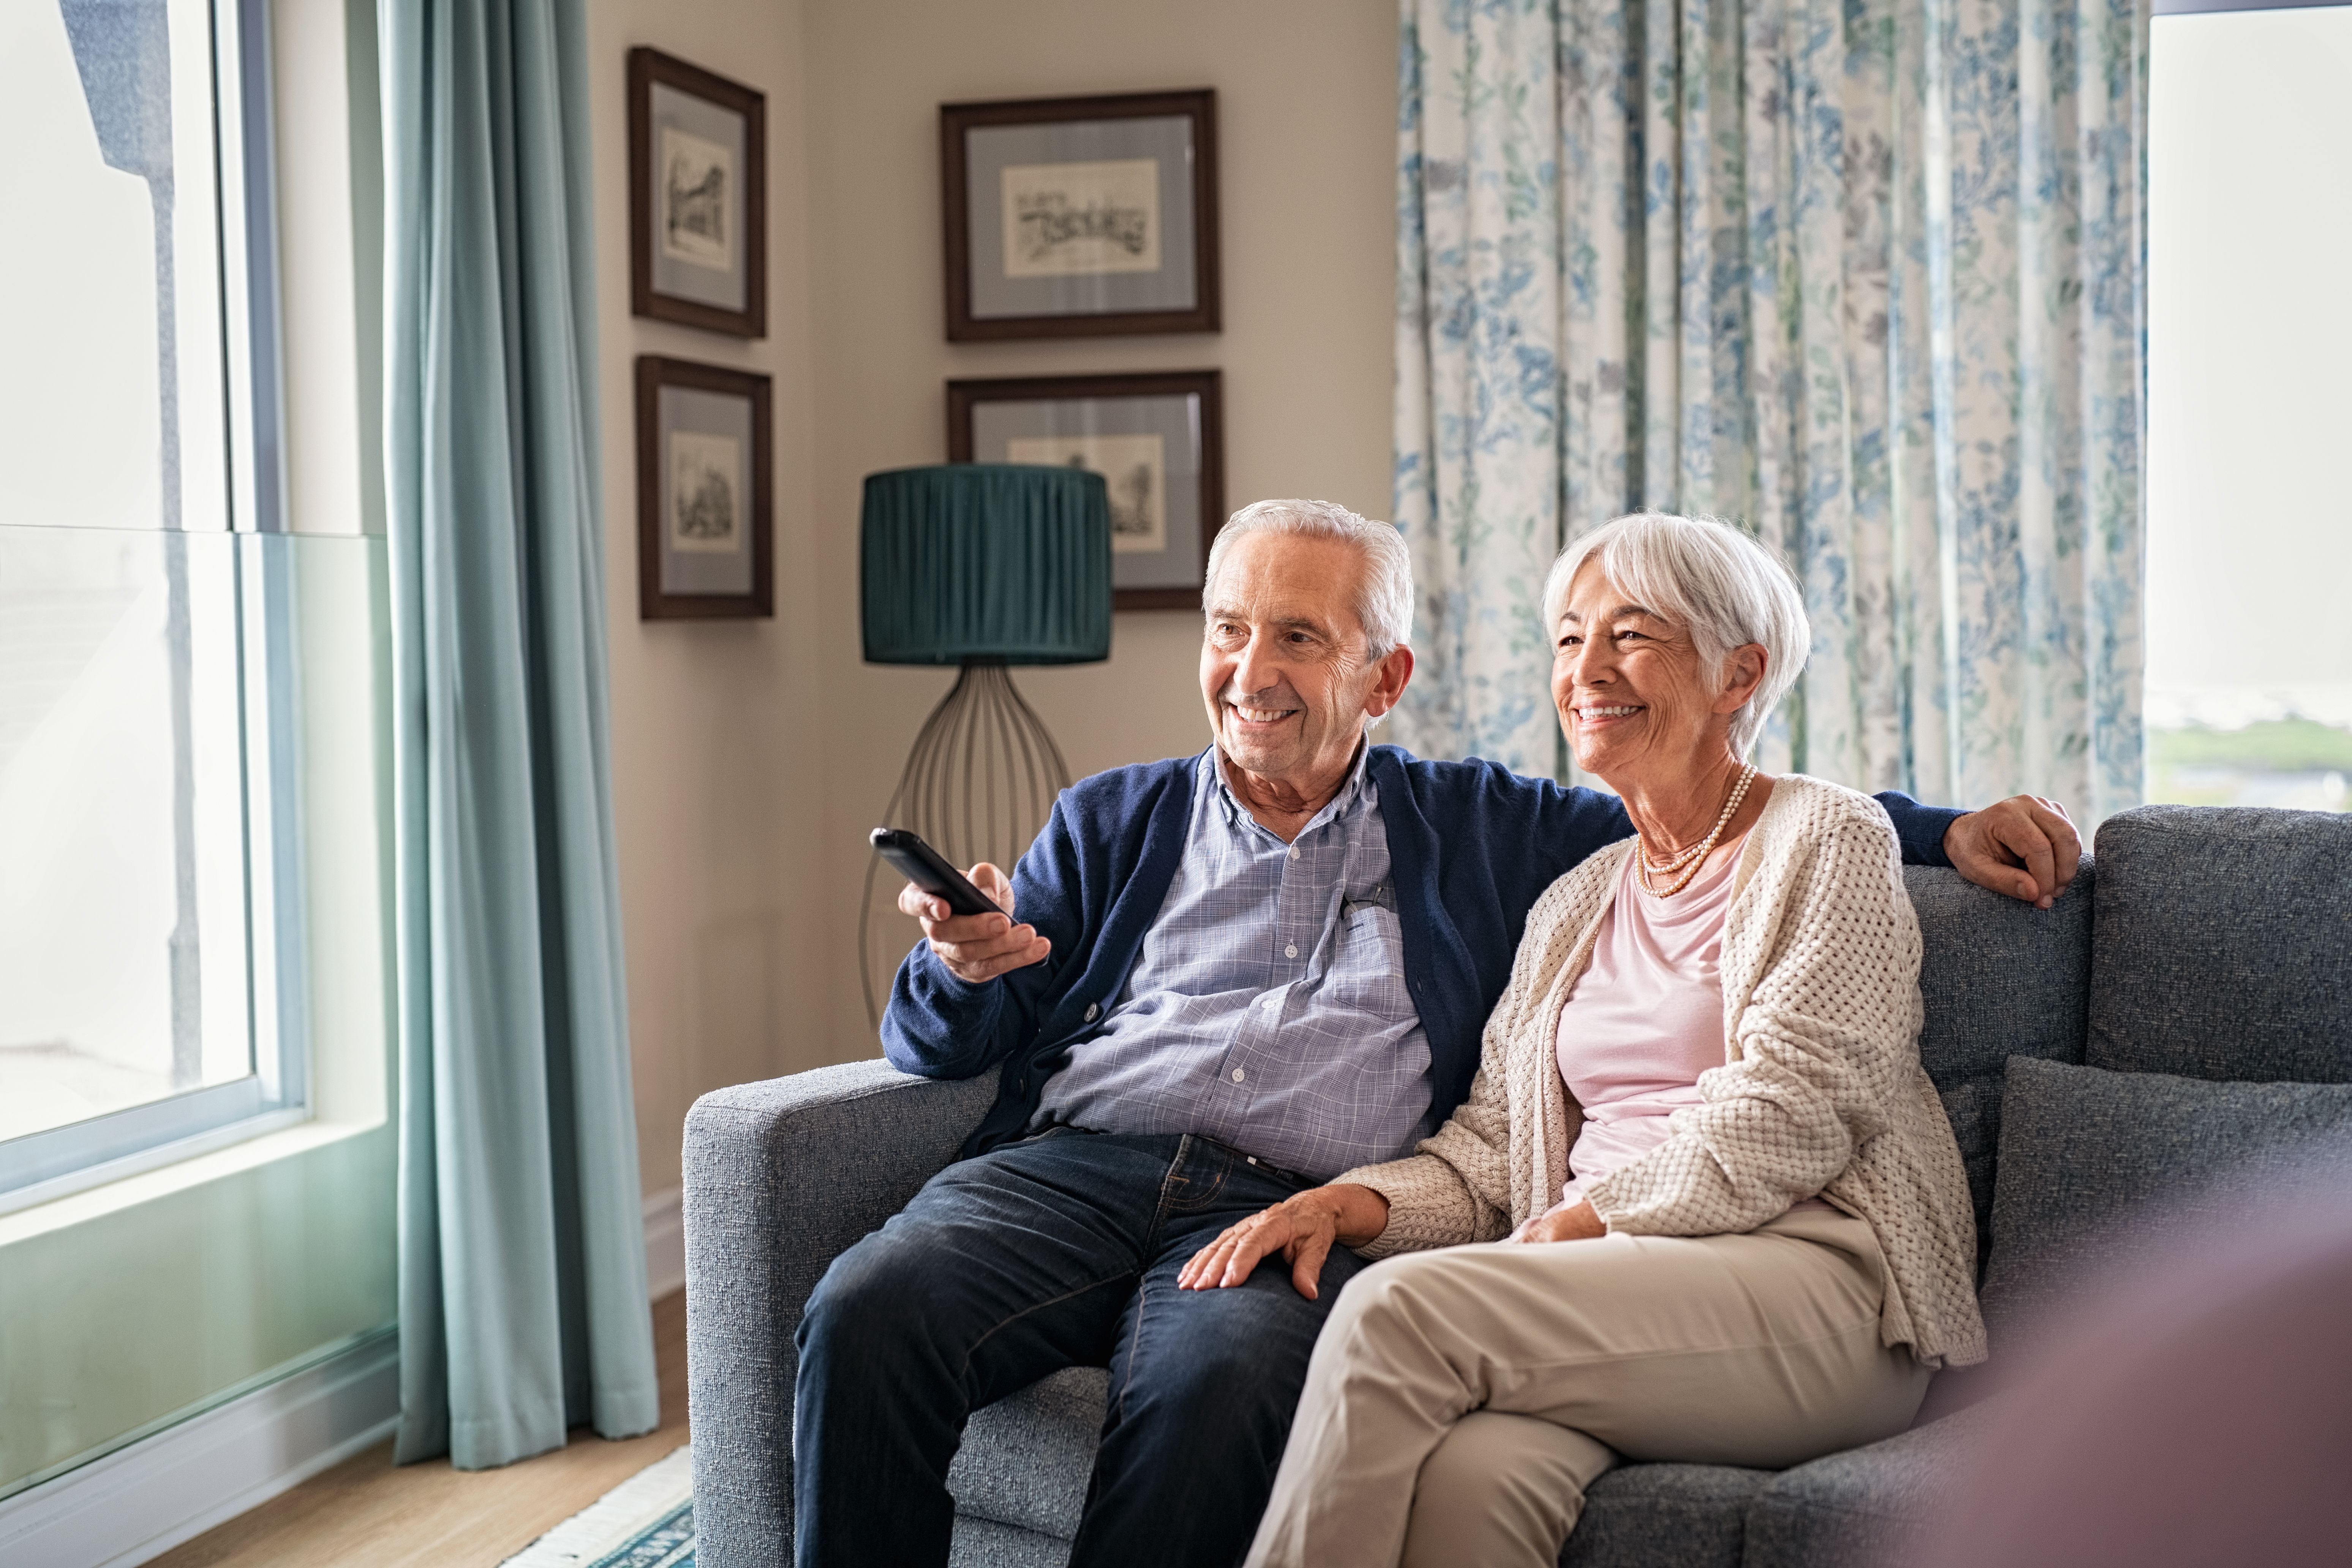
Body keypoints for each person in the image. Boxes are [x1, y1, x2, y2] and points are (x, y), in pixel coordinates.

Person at [793, 501, 2074, 1568]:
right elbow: (945, 1040)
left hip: (1305, 1198)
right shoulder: (1113, 821)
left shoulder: (1500, 832)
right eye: (1230, 629)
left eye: (1298, 635)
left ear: (1385, 678)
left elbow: (1747, 814)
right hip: (1078, 1171)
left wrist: (1947, 830)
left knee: (1229, 1385)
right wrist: (960, 966)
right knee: (869, 1306)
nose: (1251, 671)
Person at [1191, 513, 1989, 1568]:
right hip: (1614, 1293)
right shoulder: (1576, 901)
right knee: (1473, 1481)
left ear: (1737, 674)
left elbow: (1801, 1109)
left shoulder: (1826, 836)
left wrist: (1588, 1218)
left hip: (1815, 1290)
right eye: (1571, 638)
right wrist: (1353, 1204)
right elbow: (1489, 1152)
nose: (1588, 668)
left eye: (1634, 634)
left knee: (1395, 1318)